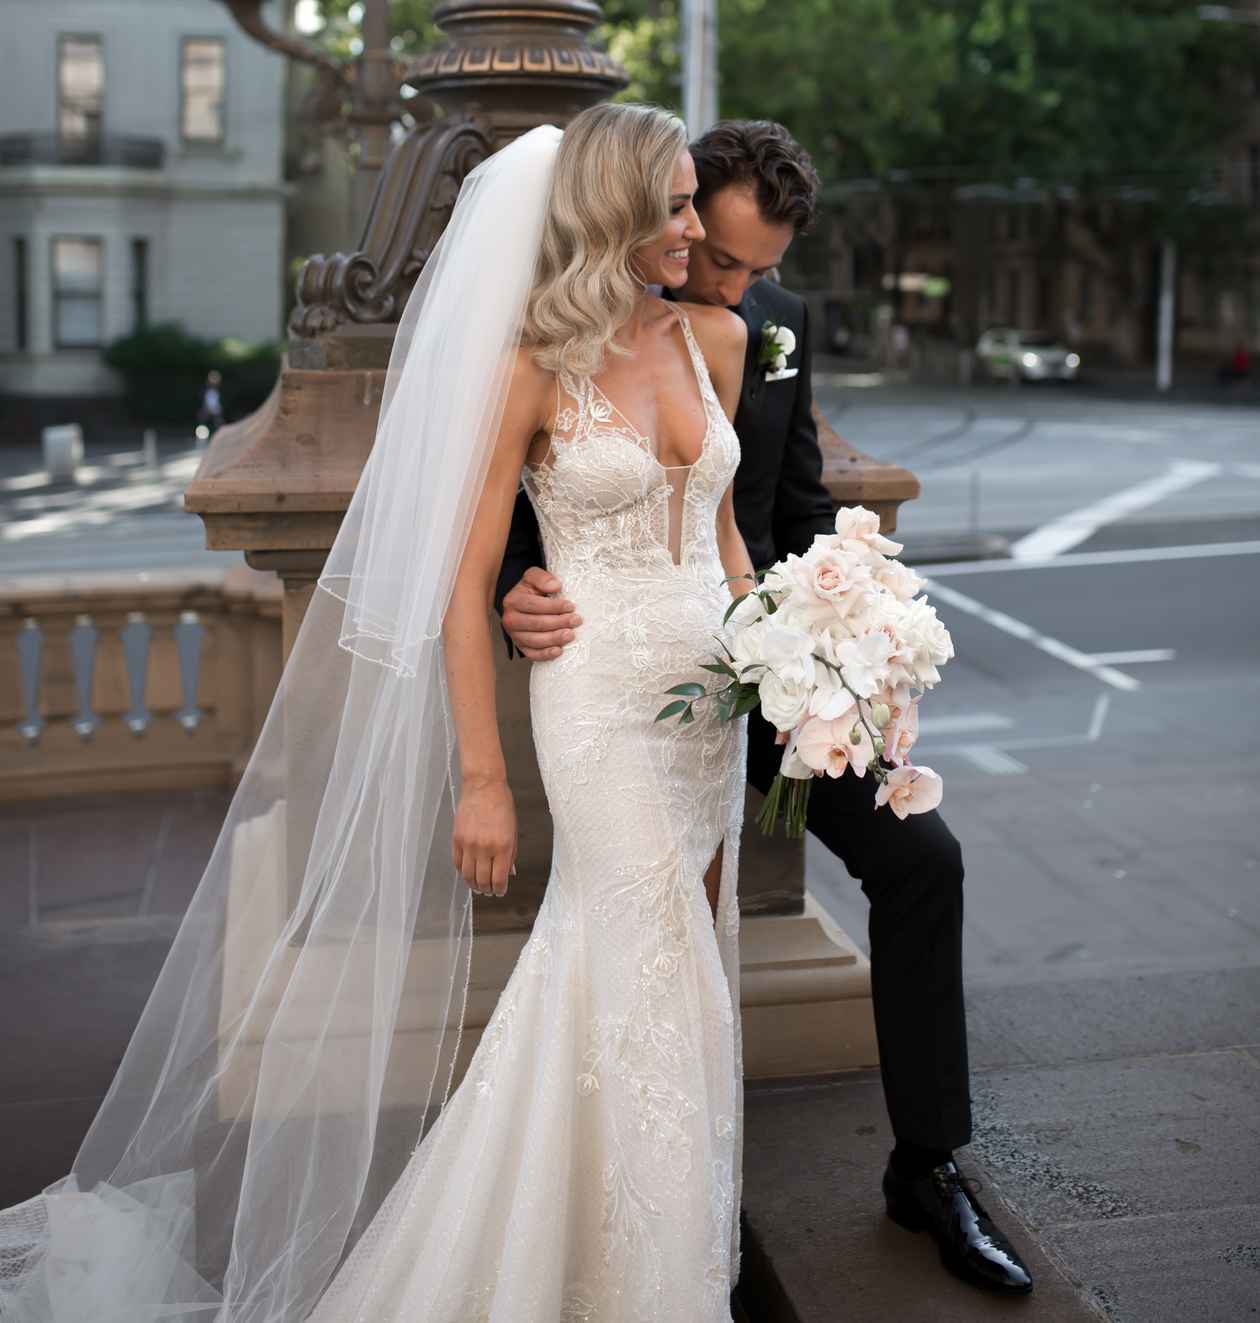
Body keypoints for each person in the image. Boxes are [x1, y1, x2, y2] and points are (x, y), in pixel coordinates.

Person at [0, 106, 751, 1323]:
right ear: (613, 210)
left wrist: (803, 654)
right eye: (671, 203)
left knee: (670, 975)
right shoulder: (531, 365)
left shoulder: (711, 343)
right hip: (602, 709)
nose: (691, 224)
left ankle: (626, 1252)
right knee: (642, 961)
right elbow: (461, 586)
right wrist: (483, 776)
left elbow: (726, 537)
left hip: (712, 714)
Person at [497, 118, 1035, 1297]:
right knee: (660, 942)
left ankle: (928, 1166)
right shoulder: (585, 321)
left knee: (921, 858)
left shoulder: (766, 331)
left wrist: (842, 652)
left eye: (754, 269)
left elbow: (786, 501)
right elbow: (532, 496)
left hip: (768, 667)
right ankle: (674, 1215)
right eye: (718, 255)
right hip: (628, 682)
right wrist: (513, 593)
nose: (729, 281)